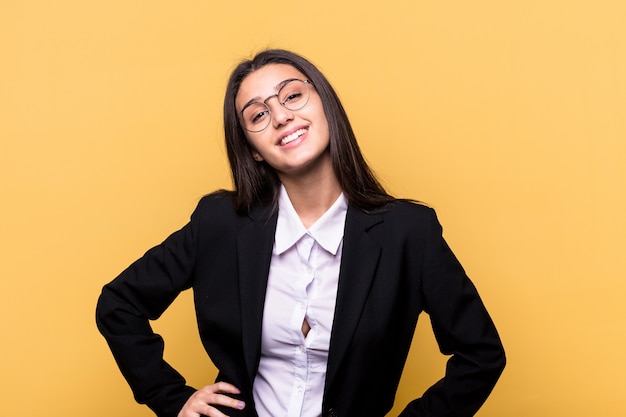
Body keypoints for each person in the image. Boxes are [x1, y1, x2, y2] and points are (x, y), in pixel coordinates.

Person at [96, 49, 505, 417]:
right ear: (253, 148)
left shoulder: (408, 233)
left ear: (325, 104)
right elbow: (119, 304)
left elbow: (481, 355)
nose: (281, 116)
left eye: (292, 96)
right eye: (257, 115)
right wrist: (173, 399)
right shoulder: (219, 223)